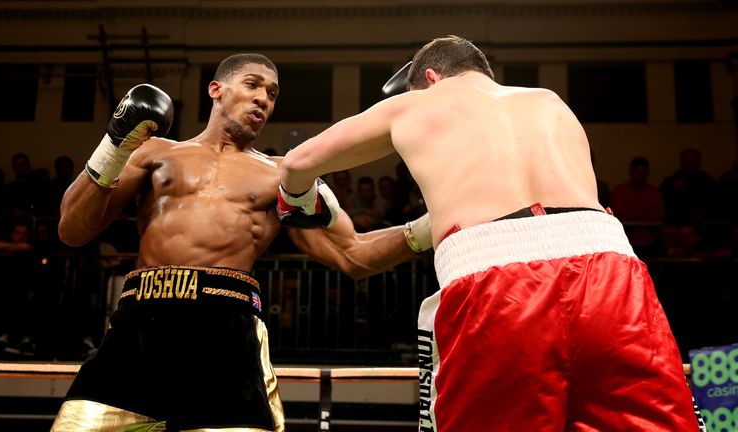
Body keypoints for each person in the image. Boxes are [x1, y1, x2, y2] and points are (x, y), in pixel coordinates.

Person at [278, 36, 702, 431]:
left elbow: (297, 164)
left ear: (430, 78)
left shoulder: (413, 105)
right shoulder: (549, 101)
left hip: (498, 282)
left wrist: (296, 201)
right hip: (612, 272)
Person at [51, 53, 431, 432]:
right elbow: (72, 230)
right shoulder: (153, 152)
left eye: (272, 93)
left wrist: (434, 224)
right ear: (216, 89)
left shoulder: (285, 175)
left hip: (224, 336)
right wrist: (115, 143)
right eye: (252, 85)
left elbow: (353, 254)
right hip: (138, 327)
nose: (263, 98)